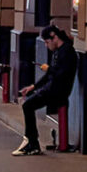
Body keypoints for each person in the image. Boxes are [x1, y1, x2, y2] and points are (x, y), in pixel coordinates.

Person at [13, 20, 78, 156]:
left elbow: (60, 74)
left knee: (28, 105)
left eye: (47, 42)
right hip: (52, 88)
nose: (47, 45)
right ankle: (31, 141)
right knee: (28, 103)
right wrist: (34, 86)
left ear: (54, 37)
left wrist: (49, 70)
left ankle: (32, 142)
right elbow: (50, 74)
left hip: (58, 91)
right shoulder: (58, 51)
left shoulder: (67, 52)